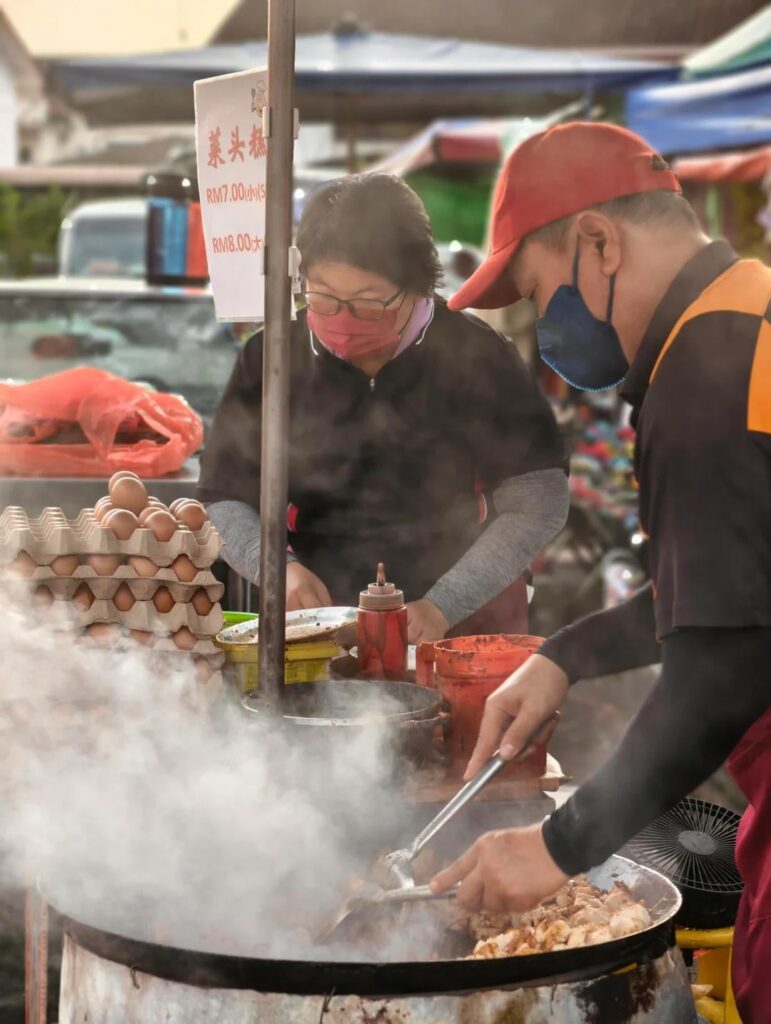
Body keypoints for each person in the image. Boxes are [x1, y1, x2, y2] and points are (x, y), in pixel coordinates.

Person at [430, 122, 771, 1022]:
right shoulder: (748, 311)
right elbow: (741, 588)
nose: (547, 331)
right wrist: (569, 653)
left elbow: (723, 665)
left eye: (541, 295)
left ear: (599, 241)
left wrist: (557, 846)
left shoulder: (707, 375)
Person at [198, 174, 568, 642]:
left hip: (457, 612)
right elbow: (222, 496)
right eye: (323, 297)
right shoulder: (271, 357)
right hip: (316, 613)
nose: (343, 320)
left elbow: (539, 502)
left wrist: (442, 605)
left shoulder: (479, 355)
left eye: (369, 304)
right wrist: (278, 569)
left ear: (417, 288)